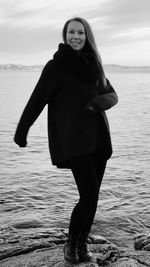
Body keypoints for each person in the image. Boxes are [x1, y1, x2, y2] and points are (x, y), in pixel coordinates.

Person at [14, 17, 118, 264]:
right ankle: (71, 246)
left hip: (98, 139)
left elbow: (112, 95)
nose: (76, 37)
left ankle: (82, 246)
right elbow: (37, 99)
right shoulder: (55, 67)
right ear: (65, 35)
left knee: (93, 197)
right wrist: (22, 129)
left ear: (87, 35)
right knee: (88, 196)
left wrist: (96, 103)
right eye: (71, 32)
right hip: (74, 141)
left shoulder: (93, 64)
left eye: (80, 32)